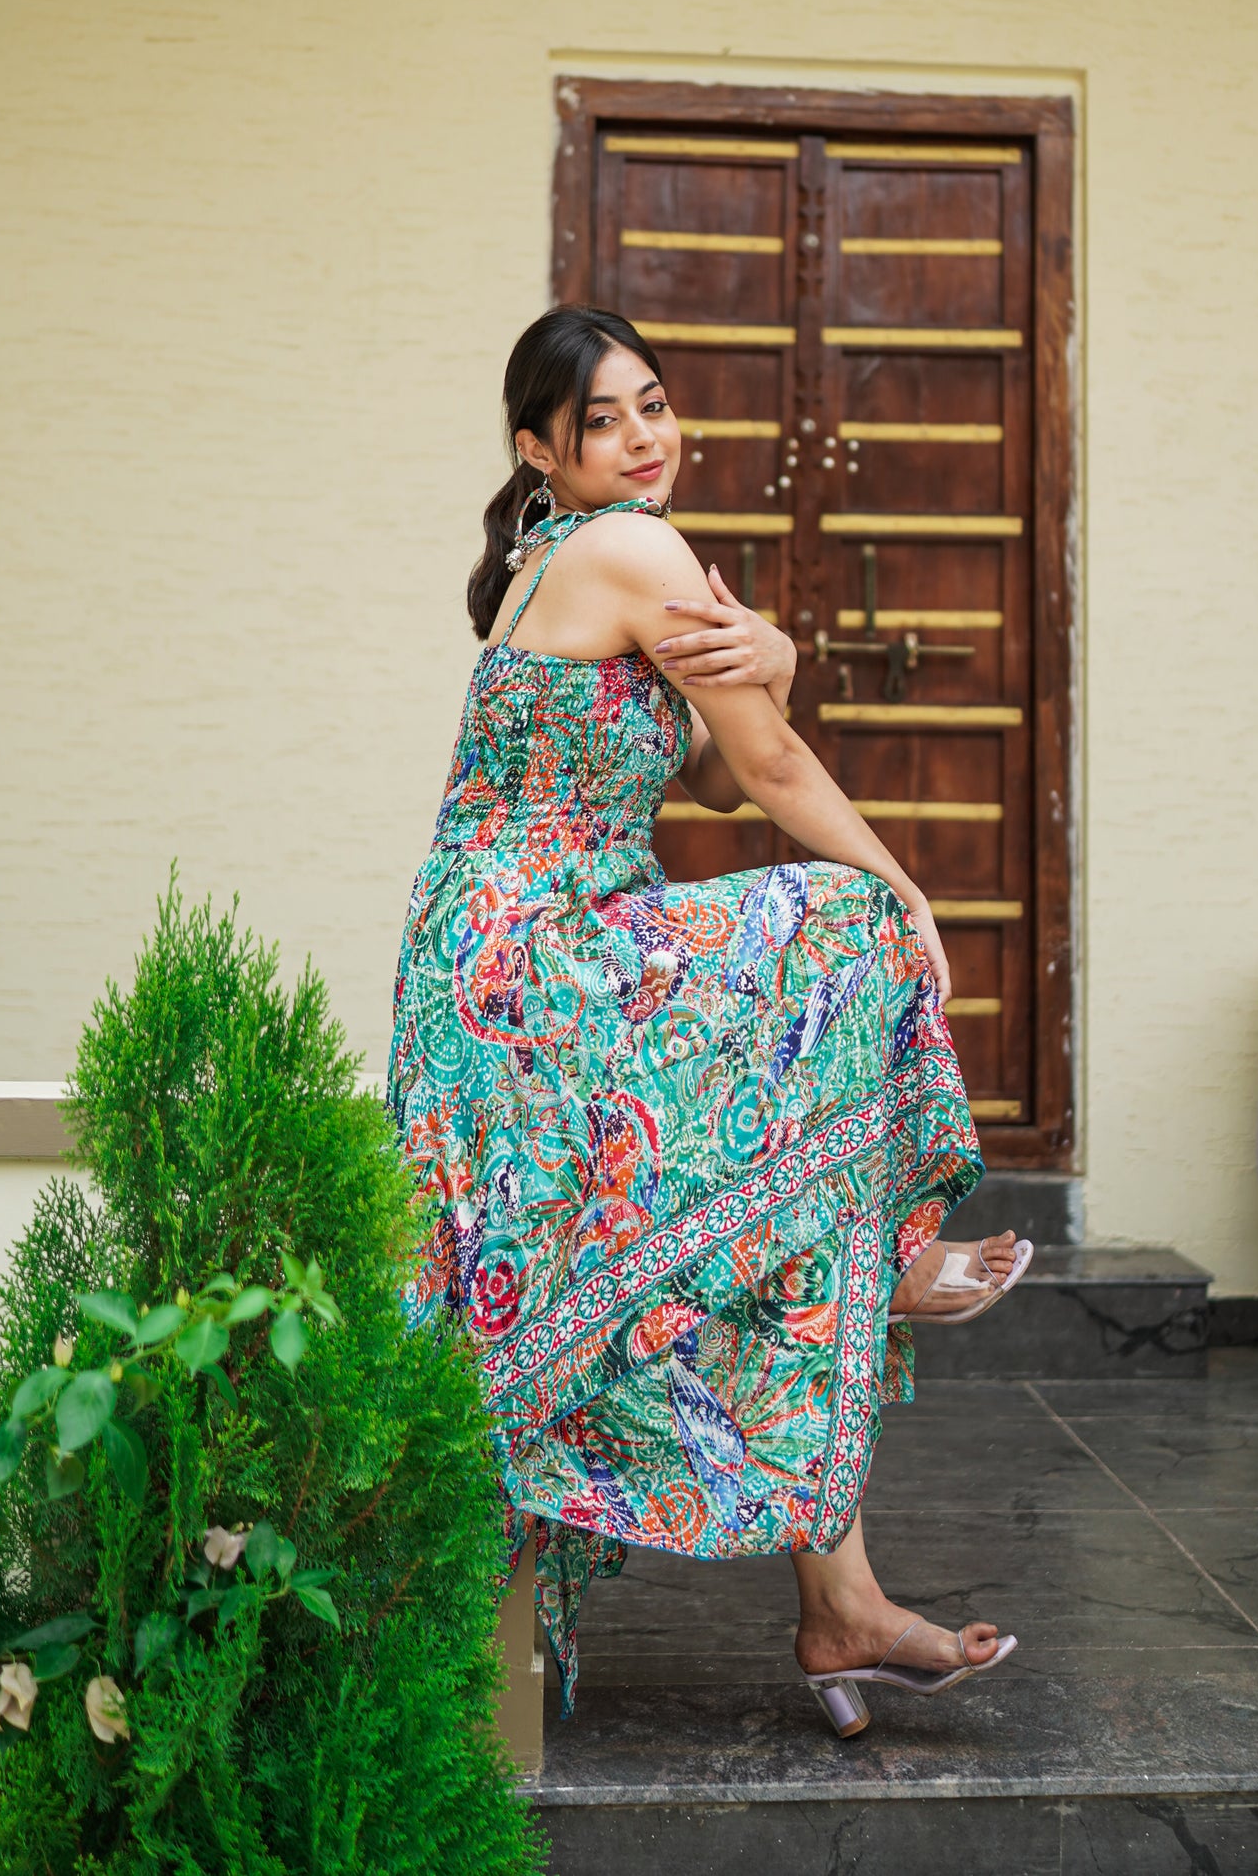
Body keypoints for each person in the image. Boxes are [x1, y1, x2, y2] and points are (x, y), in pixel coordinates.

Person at [388, 305, 1032, 1737]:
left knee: (763, 1216)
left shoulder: (570, 556)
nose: (641, 437)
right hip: (532, 966)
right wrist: (906, 887)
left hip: (488, 965)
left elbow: (721, 783)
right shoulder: (626, 546)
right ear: (537, 455)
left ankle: (839, 1605)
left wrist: (778, 655)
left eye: (654, 405)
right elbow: (776, 770)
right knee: (846, 927)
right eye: (603, 420)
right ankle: (897, 1243)